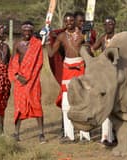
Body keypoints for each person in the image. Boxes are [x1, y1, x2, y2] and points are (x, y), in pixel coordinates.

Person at [45, 12, 91, 144]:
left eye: (71, 21)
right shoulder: (61, 36)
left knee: (82, 101)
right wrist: (46, 40)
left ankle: (85, 135)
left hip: (80, 66)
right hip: (67, 68)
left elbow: (90, 50)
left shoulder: (82, 34)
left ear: (75, 22)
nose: (69, 23)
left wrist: (87, 38)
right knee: (66, 104)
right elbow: (52, 53)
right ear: (64, 22)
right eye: (67, 21)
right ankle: (69, 135)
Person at [8, 21, 46, 143]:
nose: (27, 33)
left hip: (33, 81)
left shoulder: (37, 44)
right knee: (19, 106)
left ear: (32, 31)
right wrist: (18, 77)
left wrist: (30, 78)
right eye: (24, 31)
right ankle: (16, 133)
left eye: (29, 31)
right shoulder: (17, 44)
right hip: (20, 81)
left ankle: (41, 134)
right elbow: (13, 62)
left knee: (36, 105)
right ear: (21, 31)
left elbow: (39, 63)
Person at [91, 16, 116, 146]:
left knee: (115, 107)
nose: (109, 26)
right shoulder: (102, 39)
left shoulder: (118, 39)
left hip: (116, 75)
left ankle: (115, 136)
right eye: (107, 24)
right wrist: (86, 37)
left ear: (114, 25)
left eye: (111, 24)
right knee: (105, 106)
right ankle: (105, 137)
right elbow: (92, 49)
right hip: (104, 75)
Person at [0, 25, 11, 135]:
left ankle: (0, 131)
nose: (3, 33)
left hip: (5, 79)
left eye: (4, 32)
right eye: (1, 32)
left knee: (2, 104)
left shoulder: (6, 47)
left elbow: (9, 62)